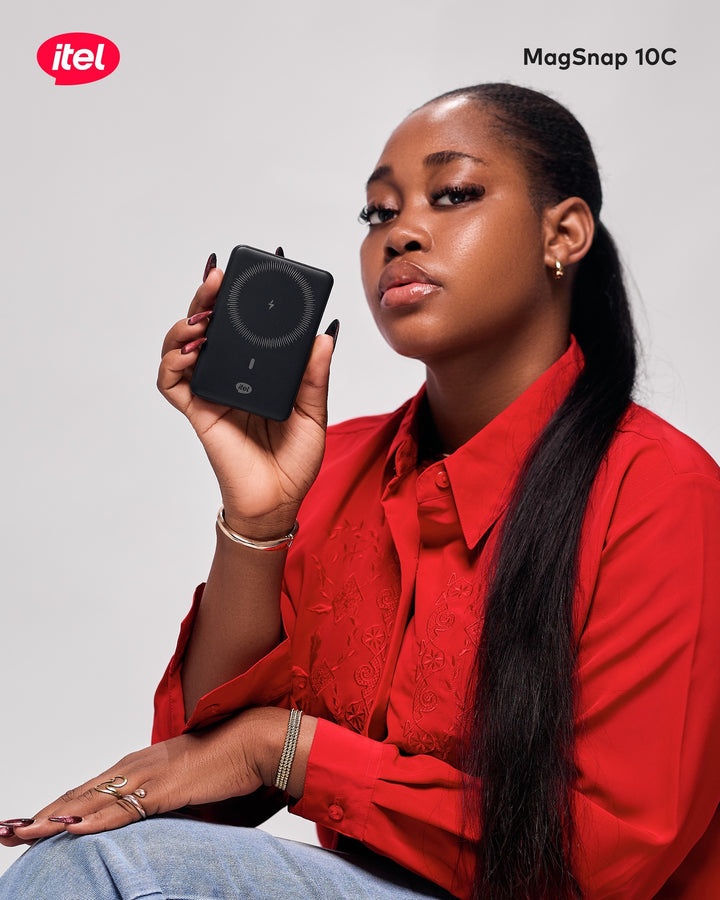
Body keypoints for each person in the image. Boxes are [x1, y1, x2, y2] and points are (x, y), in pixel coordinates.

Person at [1, 83, 719, 900]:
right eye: (378, 213)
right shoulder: (338, 467)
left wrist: (287, 748)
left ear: (563, 233)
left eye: (453, 195)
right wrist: (259, 520)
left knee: (98, 869)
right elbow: (191, 777)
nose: (401, 233)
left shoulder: (660, 492)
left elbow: (607, 862)